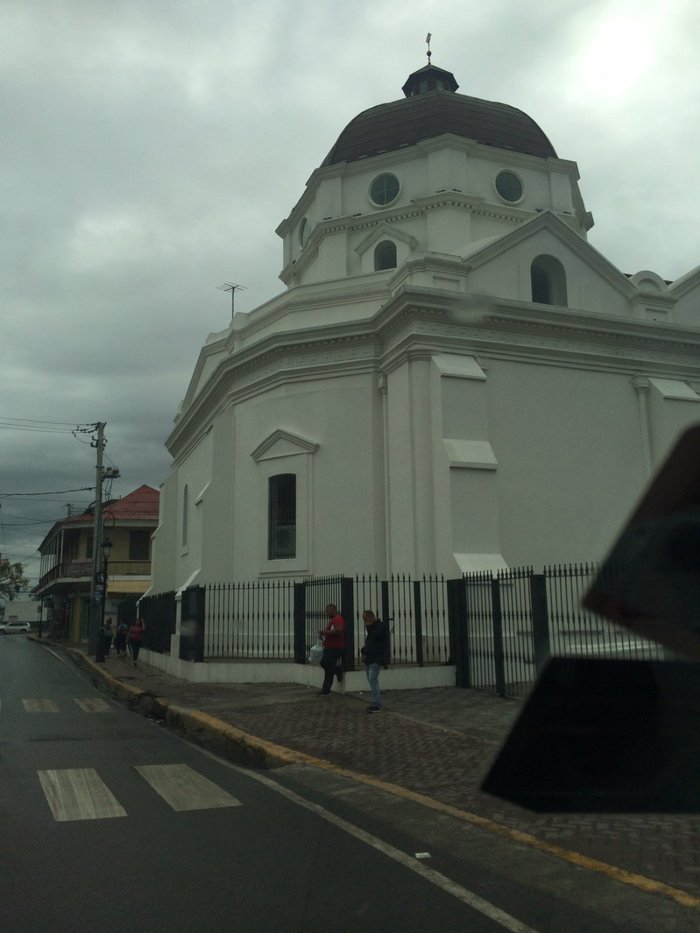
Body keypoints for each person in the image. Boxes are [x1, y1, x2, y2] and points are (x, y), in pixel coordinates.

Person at [360, 610, 390, 713]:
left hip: (376, 657)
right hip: (370, 657)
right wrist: (364, 652)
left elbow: (375, 637)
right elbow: (369, 642)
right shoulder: (372, 628)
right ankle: (375, 702)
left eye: (365, 620)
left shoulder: (380, 626)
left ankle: (377, 704)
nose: (365, 622)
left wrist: (369, 627)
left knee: (373, 680)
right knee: (371, 680)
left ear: (371, 618)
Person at [317, 603, 345, 695]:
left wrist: (324, 632)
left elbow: (338, 630)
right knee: (327, 667)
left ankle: (336, 670)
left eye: (328, 612)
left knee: (325, 664)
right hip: (330, 647)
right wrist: (323, 636)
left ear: (333, 610)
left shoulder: (337, 619)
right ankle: (326, 689)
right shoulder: (333, 620)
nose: (327, 614)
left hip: (335, 647)